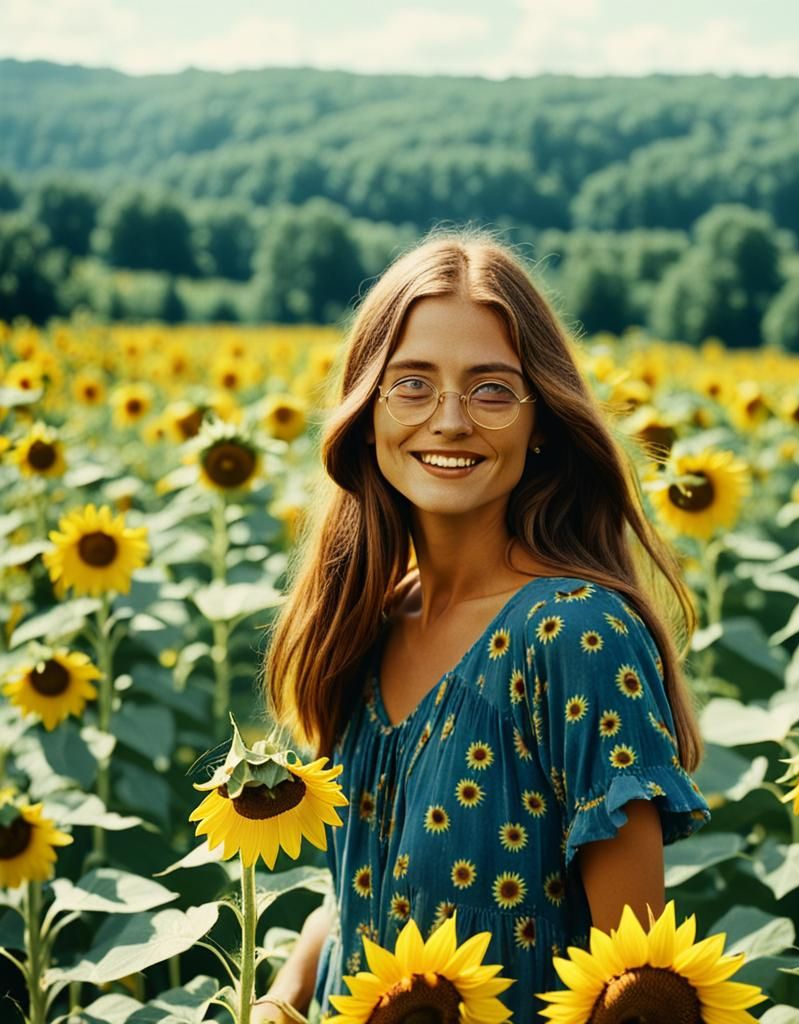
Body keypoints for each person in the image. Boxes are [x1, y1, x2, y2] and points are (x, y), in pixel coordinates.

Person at [254, 228, 712, 1023]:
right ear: (366, 411)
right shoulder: (366, 623)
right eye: (412, 384)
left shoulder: (574, 637)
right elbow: (359, 889)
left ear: (542, 422)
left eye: (492, 390)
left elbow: (634, 990)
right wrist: (281, 995)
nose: (450, 420)